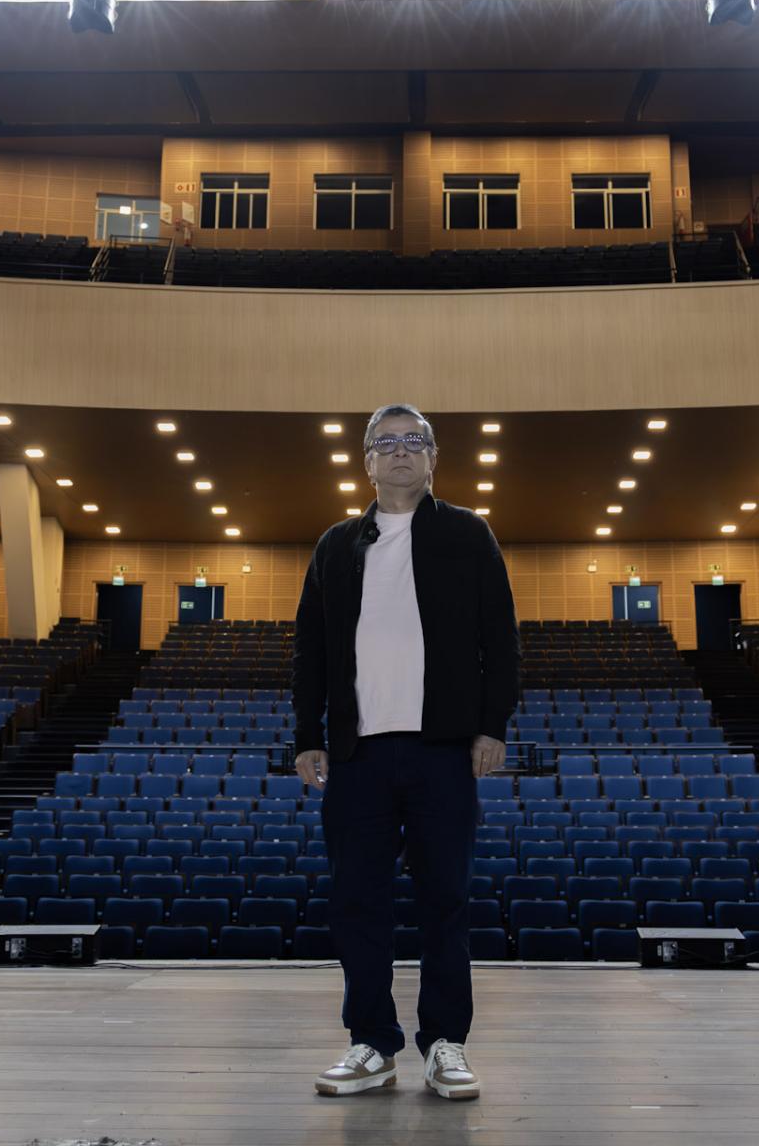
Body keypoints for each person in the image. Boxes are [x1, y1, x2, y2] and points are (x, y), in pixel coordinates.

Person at [293, 403, 520, 1101]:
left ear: (432, 457)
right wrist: (306, 735)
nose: (399, 451)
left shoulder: (468, 533)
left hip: (441, 750)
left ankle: (445, 1043)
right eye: (385, 442)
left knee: (445, 900)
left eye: (412, 440)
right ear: (367, 461)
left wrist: (491, 726)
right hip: (357, 754)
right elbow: (310, 650)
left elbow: (500, 638)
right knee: (357, 902)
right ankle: (372, 1044)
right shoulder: (336, 544)